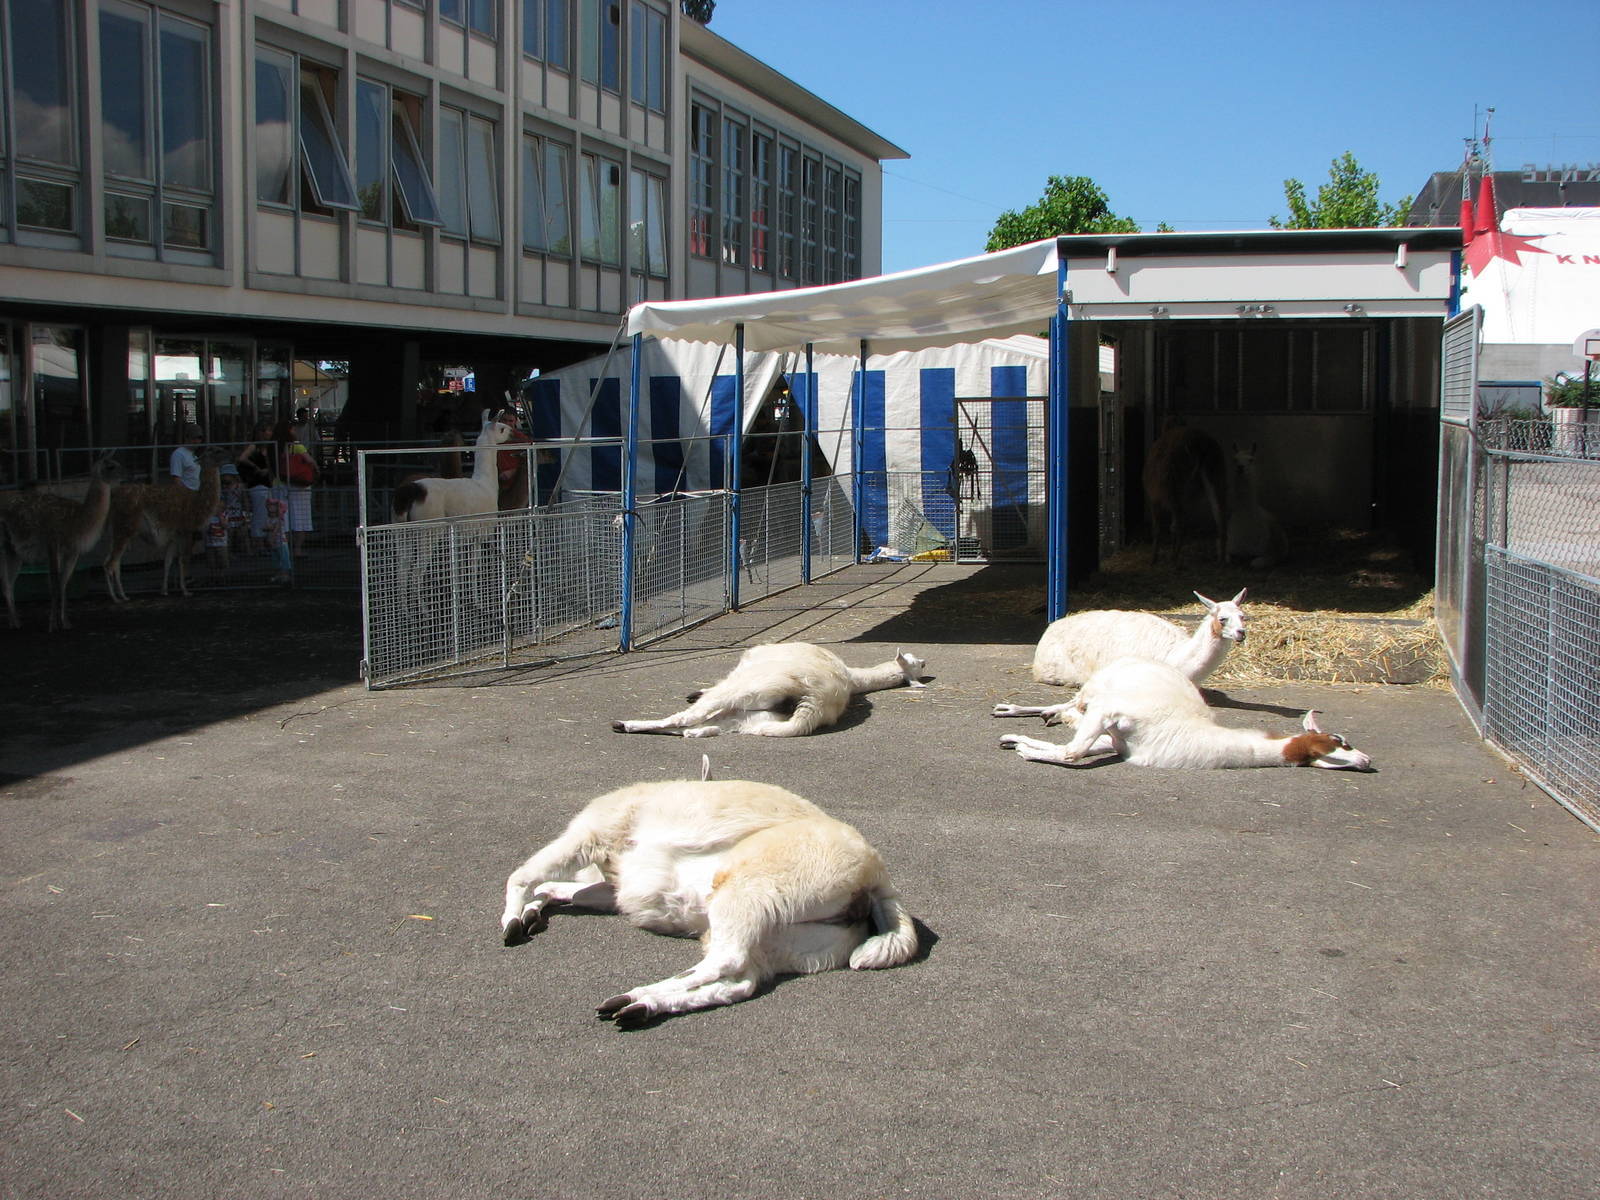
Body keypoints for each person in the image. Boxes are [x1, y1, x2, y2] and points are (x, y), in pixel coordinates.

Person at [274, 419, 317, 560]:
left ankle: (284, 550)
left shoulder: (275, 447)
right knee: (301, 518)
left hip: (280, 483)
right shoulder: (296, 446)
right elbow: (310, 461)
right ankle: (297, 550)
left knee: (283, 519)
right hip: (299, 485)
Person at [236, 420, 276, 554]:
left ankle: (266, 540)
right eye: (265, 431)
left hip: (268, 484)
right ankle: (258, 542)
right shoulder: (254, 447)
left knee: (267, 514)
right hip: (257, 484)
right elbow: (241, 459)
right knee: (259, 513)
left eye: (270, 430)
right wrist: (256, 468)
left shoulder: (270, 448)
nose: (268, 433)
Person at [170, 422, 203, 489]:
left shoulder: (194, 455)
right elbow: (176, 480)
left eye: (199, 438)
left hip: (196, 494)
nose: (196, 441)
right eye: (193, 438)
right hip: (185, 496)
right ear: (186, 438)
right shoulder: (179, 454)